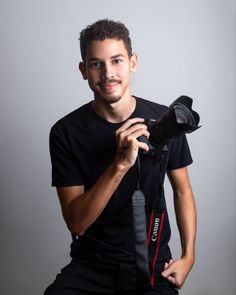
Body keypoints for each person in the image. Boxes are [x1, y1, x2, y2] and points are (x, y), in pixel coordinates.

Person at [44, 19, 196, 295]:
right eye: (96, 64)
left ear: (133, 62)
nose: (108, 73)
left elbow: (183, 191)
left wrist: (189, 257)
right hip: (91, 265)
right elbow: (76, 222)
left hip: (153, 264)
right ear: (83, 70)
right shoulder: (65, 132)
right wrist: (120, 164)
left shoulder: (165, 120)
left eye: (116, 61)